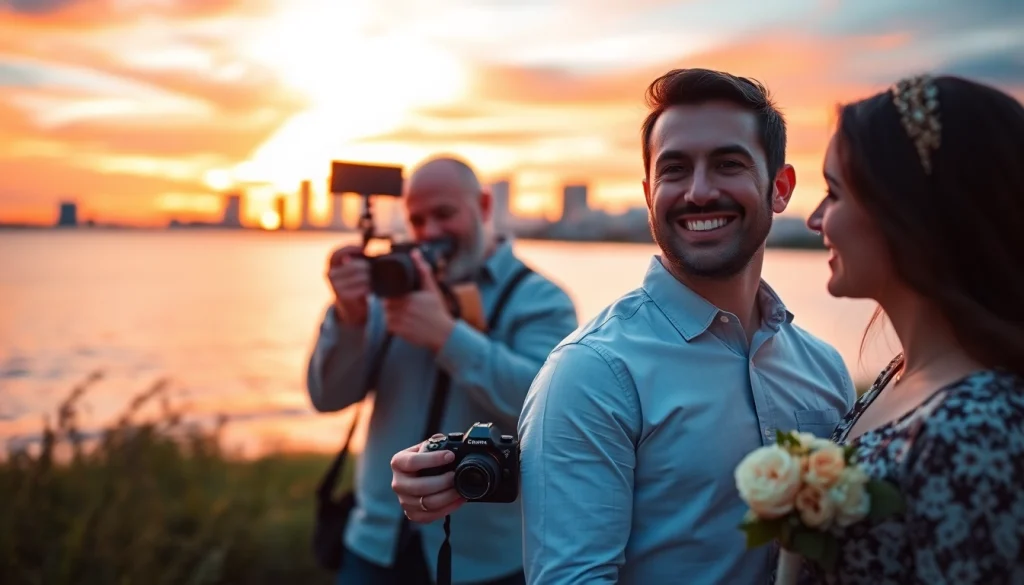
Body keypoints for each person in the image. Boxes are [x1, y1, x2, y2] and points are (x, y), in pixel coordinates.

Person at [391, 68, 857, 584]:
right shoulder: (592, 373)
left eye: (728, 164)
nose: (699, 192)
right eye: (675, 170)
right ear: (648, 191)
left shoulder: (824, 368)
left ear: (780, 187)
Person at [306, 155, 579, 585]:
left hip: (486, 559)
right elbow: (327, 397)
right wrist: (349, 316)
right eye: (417, 219)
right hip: (374, 545)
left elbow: (548, 412)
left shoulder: (541, 301)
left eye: (444, 214)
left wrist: (446, 337)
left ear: (484, 207)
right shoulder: (389, 291)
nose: (431, 232)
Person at [798, 74, 1024, 584]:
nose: (815, 219)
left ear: (905, 211)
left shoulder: (977, 431)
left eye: (834, 193)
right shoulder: (900, 373)